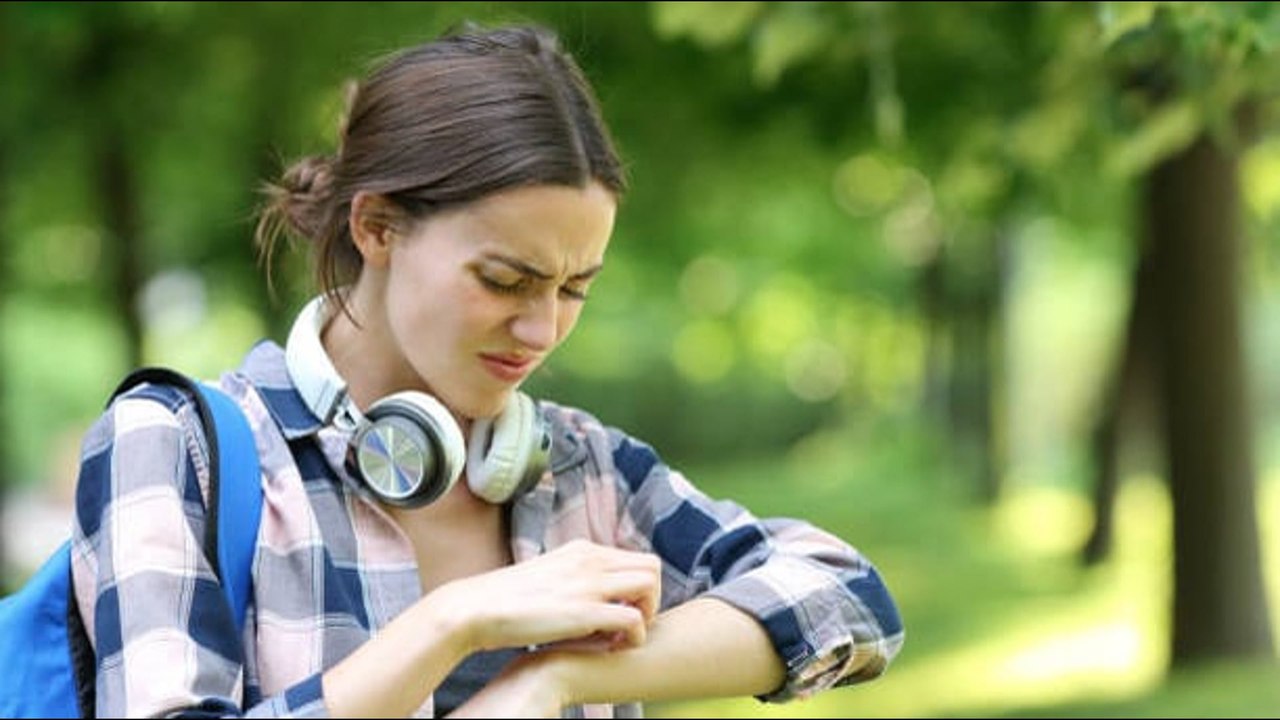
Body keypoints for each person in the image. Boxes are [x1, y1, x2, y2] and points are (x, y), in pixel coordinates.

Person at [69, 22, 904, 719]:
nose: (542, 329)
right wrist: (451, 625)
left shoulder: (583, 470)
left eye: (574, 289)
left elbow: (847, 596)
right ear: (377, 228)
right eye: (505, 280)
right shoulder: (176, 447)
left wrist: (555, 677)